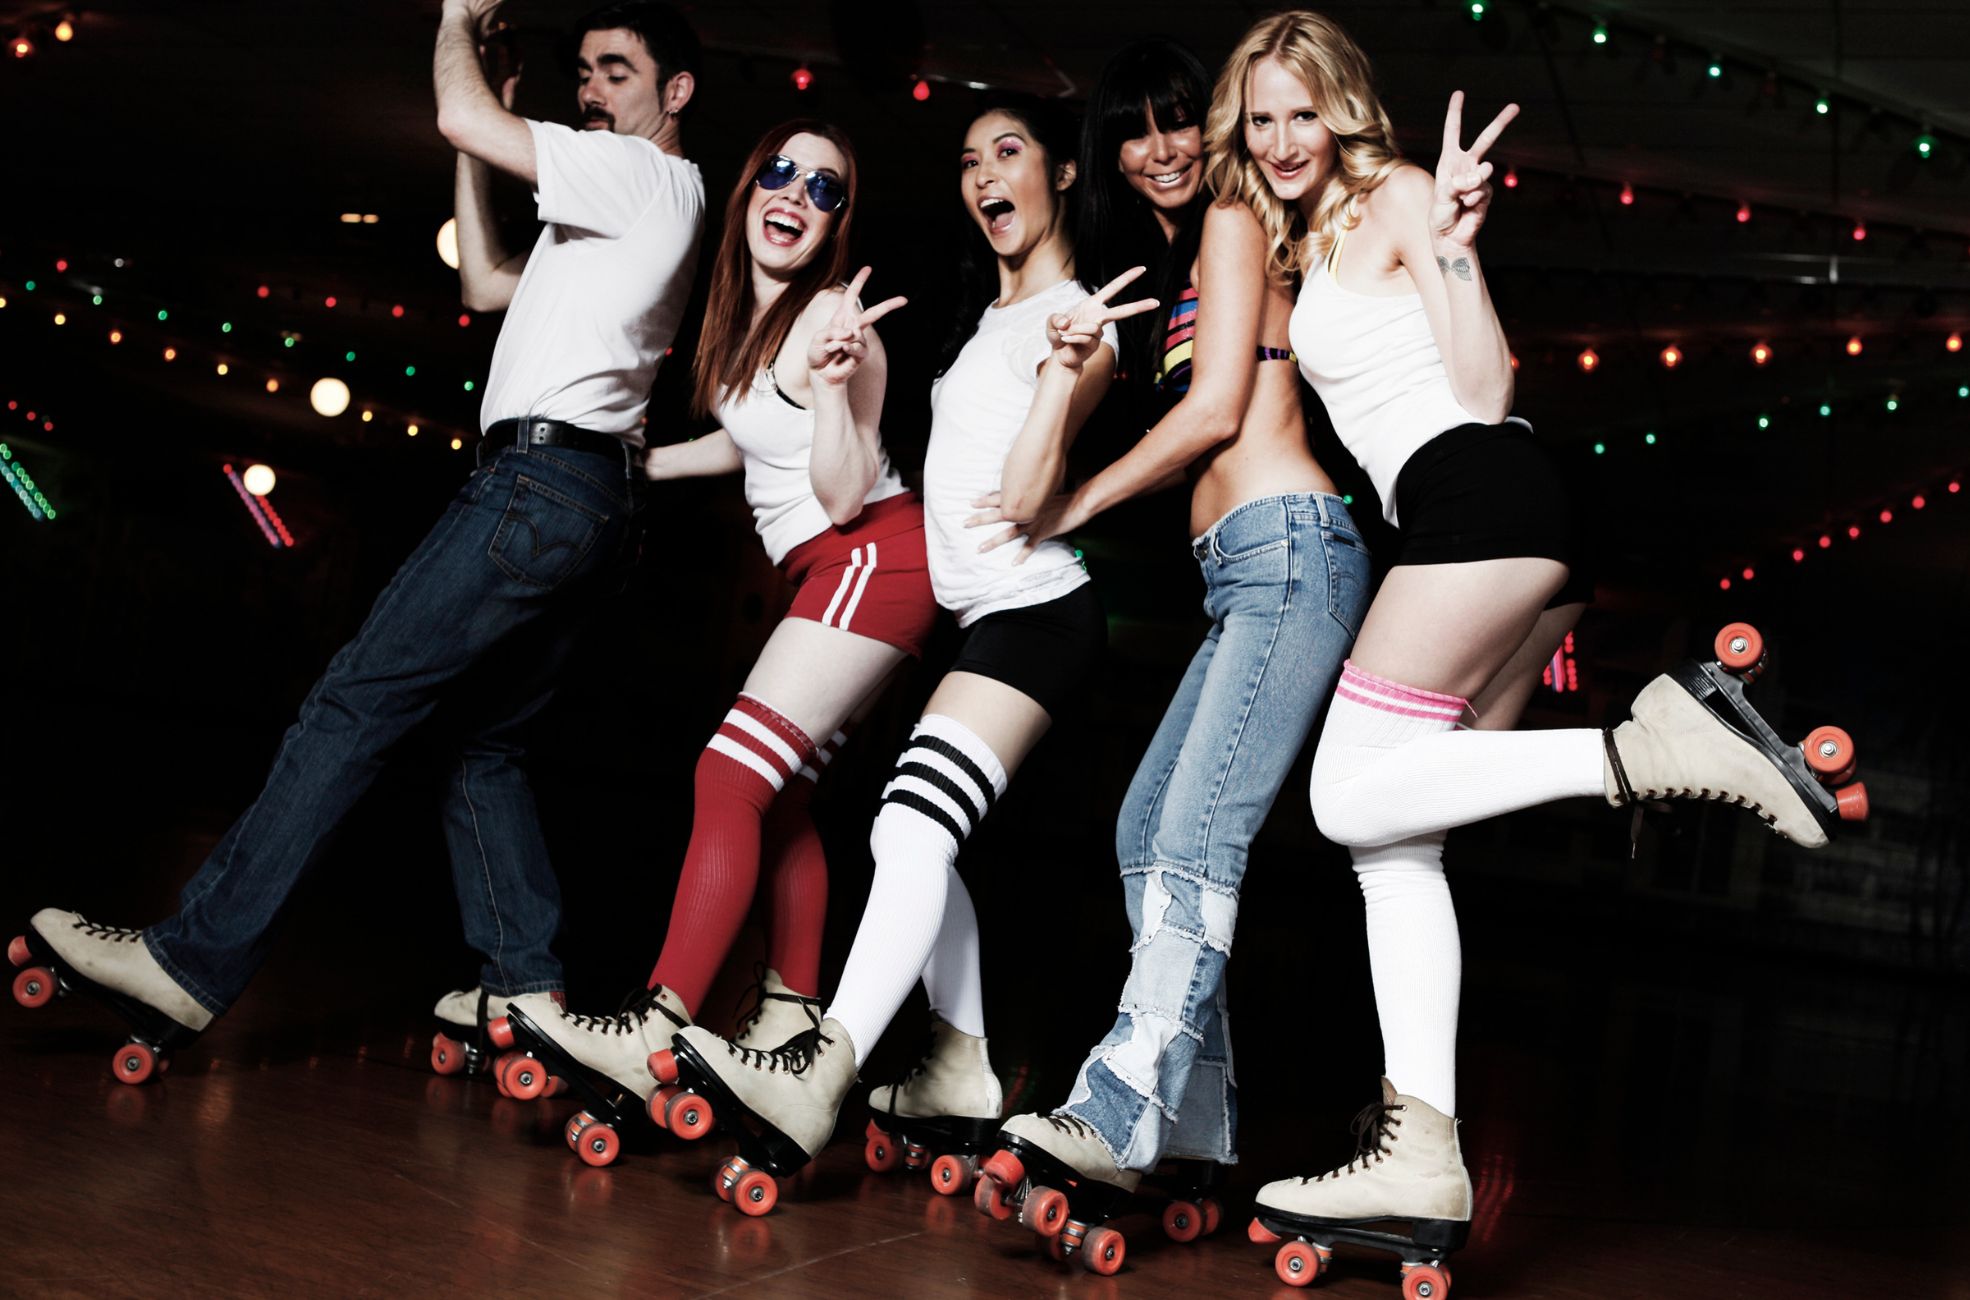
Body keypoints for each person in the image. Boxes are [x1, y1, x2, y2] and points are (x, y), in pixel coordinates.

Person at [1213, 12, 1865, 1287]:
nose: (1282, 139)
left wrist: (1452, 250)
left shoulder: (1394, 194)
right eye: (1261, 117)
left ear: (1341, 109)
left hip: (1478, 499)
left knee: (1343, 792)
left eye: (1302, 112)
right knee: (1396, 844)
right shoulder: (1307, 237)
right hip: (1491, 516)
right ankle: (1421, 1154)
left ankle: (1647, 744)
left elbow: (1485, 385)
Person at [10, 0, 705, 1084]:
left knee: (354, 701)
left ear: (676, 95)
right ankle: (526, 990)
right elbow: (482, 278)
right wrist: (499, 124)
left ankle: (188, 962)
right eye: (583, 74)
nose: (592, 91)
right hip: (584, 502)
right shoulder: (612, 218)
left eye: (616, 72)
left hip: (537, 484)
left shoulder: (651, 178)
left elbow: (456, 116)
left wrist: (457, 21)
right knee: (483, 744)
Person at [650, 95, 1156, 1210]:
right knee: (909, 834)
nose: (985, 176)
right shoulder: (992, 317)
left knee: (905, 826)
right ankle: (957, 1066)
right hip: (982, 623)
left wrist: (1066, 373)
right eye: (970, 160)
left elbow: (1026, 498)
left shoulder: (1081, 317)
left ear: (1062, 175)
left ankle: (814, 1072)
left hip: (1038, 614)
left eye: (1009, 151)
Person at [966, 36, 1371, 1243]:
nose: (1161, 148)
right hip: (1241, 572)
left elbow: (1214, 412)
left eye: (1181, 119)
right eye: (1133, 129)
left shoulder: (1235, 223)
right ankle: (1192, 1132)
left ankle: (1119, 1101)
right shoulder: (1181, 259)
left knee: (1194, 837)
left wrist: (1075, 503)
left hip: (1290, 549)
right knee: (1146, 827)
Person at [507, 119, 940, 1105]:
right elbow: (753, 443)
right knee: (777, 796)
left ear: (834, 225)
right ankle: (789, 1016)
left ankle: (659, 1019)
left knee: (726, 776)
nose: (794, 195)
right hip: (847, 569)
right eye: (778, 175)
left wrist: (835, 388)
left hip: (870, 555)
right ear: (748, 192)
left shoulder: (832, 319)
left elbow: (836, 490)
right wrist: (637, 463)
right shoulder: (753, 317)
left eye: (822, 188)